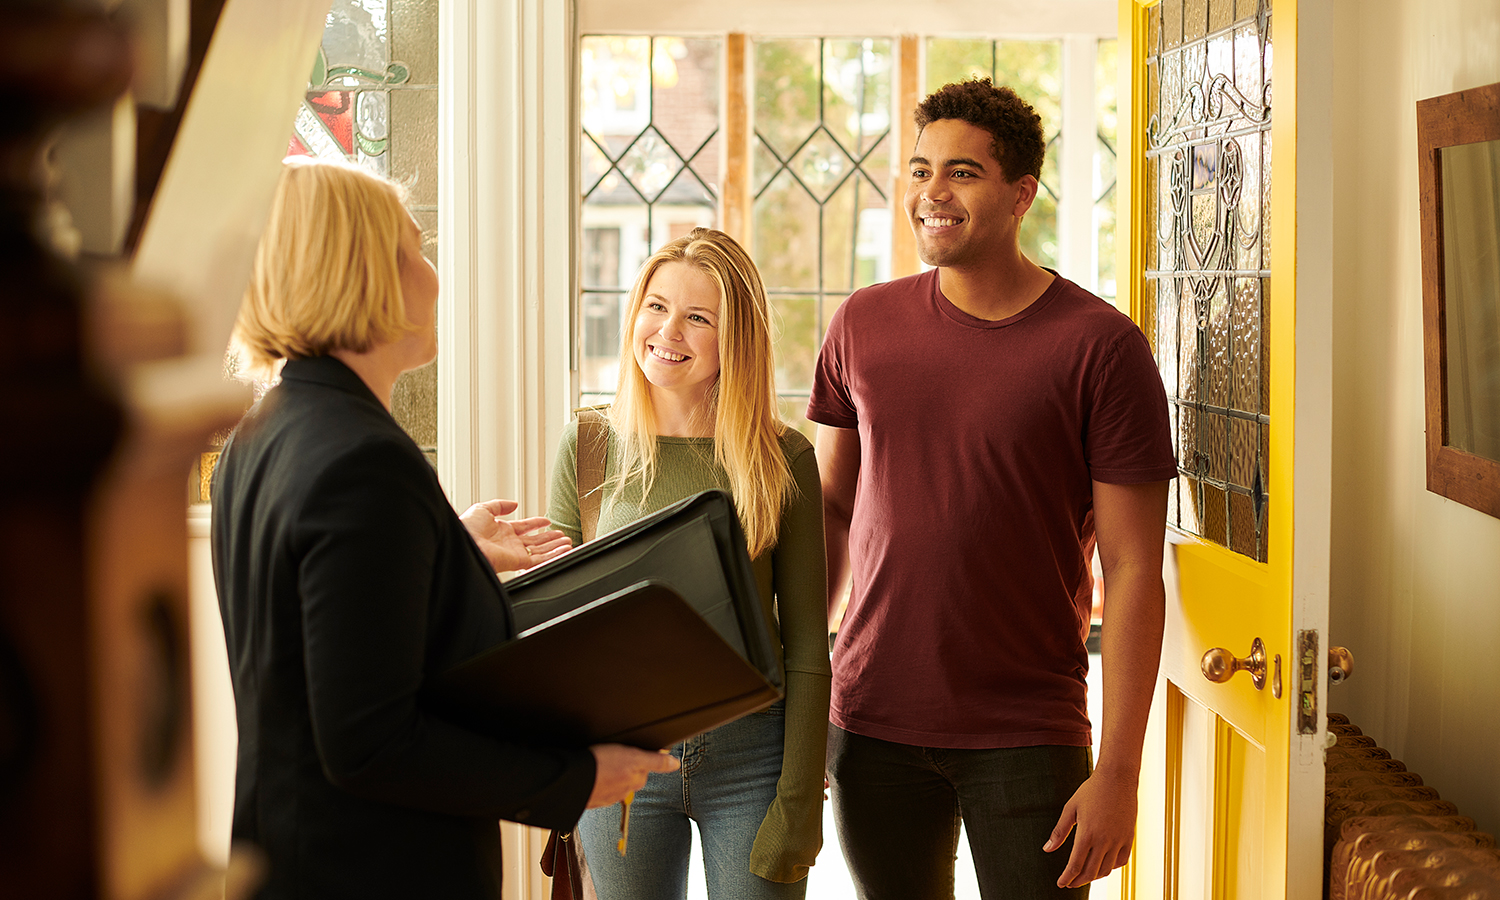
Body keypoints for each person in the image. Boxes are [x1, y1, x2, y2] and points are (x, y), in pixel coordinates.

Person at [210, 157, 677, 899]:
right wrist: (576, 777)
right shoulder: (364, 463)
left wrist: (445, 547)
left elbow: (323, 630)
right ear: (363, 272)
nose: (433, 275)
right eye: (417, 247)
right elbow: (371, 742)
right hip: (372, 872)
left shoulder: (263, 432)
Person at [807, 78, 1178, 899]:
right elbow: (831, 510)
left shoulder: (1102, 348)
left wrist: (1119, 771)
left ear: (1021, 194)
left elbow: (1133, 569)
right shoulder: (861, 324)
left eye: (963, 173)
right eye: (918, 169)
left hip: (1028, 733)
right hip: (871, 723)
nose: (931, 193)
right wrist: (807, 682)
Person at [547, 228, 831, 898]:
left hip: (752, 763)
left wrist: (800, 803)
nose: (667, 330)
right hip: (619, 764)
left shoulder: (782, 458)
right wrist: (564, 766)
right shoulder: (589, 443)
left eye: (698, 317)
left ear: (735, 340)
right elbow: (557, 633)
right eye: (656, 305)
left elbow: (808, 647)